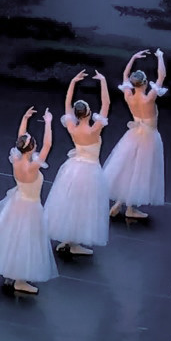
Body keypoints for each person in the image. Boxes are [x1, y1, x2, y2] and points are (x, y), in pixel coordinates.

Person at [0, 107, 59, 294]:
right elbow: (48, 146)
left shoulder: (16, 160)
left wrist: (24, 119)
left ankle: (11, 272)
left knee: (13, 239)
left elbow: (20, 138)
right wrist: (49, 122)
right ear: (32, 148)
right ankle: (19, 279)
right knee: (25, 242)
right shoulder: (32, 167)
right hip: (30, 207)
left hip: (17, 202)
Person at [43, 70, 112, 256]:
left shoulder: (71, 126)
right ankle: (73, 242)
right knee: (83, 206)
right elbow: (106, 103)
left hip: (73, 169)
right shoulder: (94, 130)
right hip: (89, 171)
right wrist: (103, 81)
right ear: (89, 114)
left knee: (69, 203)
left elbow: (67, 104)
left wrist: (73, 82)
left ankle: (67, 237)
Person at [106, 49, 167, 219]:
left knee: (129, 168)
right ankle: (130, 208)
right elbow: (162, 76)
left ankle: (120, 201)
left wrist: (132, 58)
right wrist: (160, 56)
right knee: (139, 171)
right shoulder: (148, 99)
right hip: (148, 137)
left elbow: (125, 74)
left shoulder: (128, 96)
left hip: (134, 134)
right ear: (146, 83)